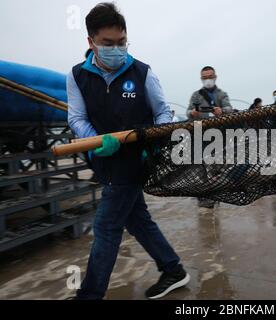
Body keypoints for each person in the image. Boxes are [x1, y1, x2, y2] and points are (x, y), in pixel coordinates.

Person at [67, 2, 190, 299]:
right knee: (137, 220)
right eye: (108, 43)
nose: (116, 49)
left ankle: (90, 295)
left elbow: (163, 114)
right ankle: (173, 269)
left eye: (121, 42)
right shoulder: (77, 76)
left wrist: (153, 143)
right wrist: (98, 142)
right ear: (91, 42)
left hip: (136, 161)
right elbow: (76, 118)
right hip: (103, 160)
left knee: (107, 228)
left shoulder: (142, 72)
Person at [187, 66, 233, 208]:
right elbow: (188, 111)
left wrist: (221, 111)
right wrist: (192, 113)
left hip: (218, 135)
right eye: (205, 77)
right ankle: (203, 195)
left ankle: (215, 193)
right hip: (199, 134)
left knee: (217, 165)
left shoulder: (222, 94)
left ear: (215, 77)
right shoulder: (196, 95)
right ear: (201, 79)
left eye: (210, 76)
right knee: (200, 165)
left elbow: (229, 109)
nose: (208, 80)